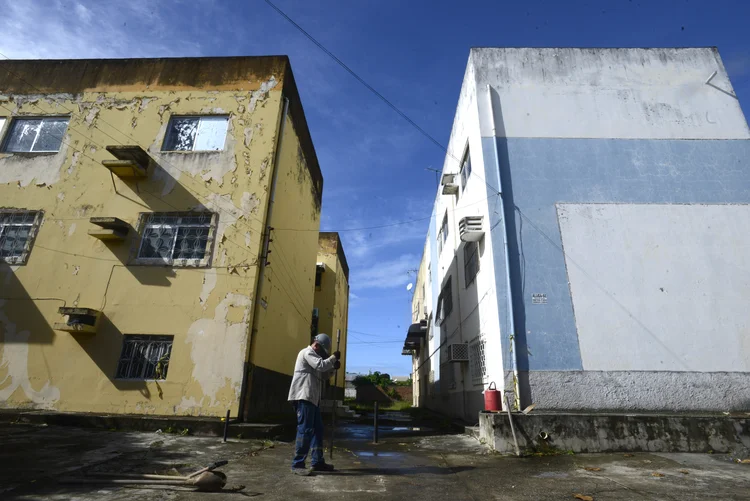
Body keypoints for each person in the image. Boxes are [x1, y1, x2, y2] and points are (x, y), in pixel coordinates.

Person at [288, 333, 341, 475]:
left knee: (318, 430)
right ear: (316, 345)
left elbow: (323, 374)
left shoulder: (315, 357)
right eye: (322, 352)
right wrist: (333, 358)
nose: (322, 355)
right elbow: (321, 365)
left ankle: (317, 462)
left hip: (313, 399)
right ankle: (297, 464)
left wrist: (333, 368)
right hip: (304, 397)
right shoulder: (307, 353)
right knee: (305, 430)